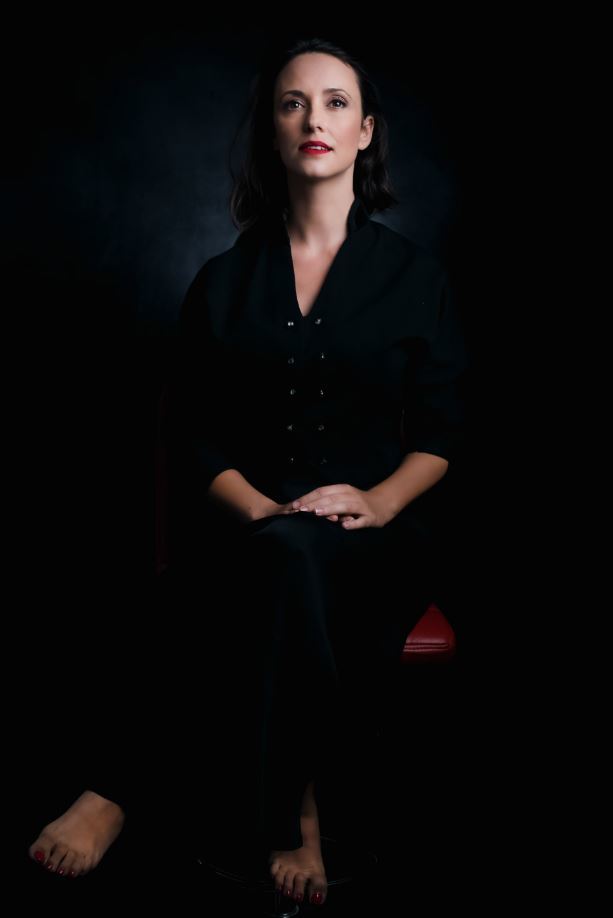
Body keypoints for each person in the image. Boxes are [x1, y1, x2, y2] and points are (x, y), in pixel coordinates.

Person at [27, 36, 470, 908]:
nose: (313, 119)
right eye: (291, 102)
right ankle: (296, 805)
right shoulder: (223, 280)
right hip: (249, 525)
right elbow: (192, 433)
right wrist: (261, 510)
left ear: (365, 131)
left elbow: (443, 432)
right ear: (272, 131)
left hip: (374, 536)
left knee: (292, 561)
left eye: (336, 102)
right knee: (278, 557)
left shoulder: (415, 276)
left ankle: (123, 791)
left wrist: (378, 501)